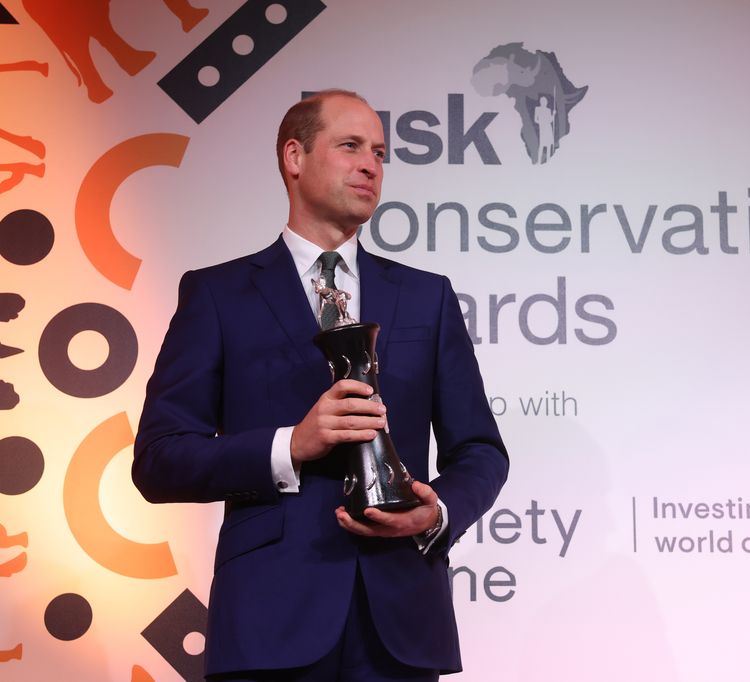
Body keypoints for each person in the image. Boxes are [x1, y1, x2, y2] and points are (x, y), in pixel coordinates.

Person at [133, 89, 509, 681]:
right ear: (294, 157)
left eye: (381, 153)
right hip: (269, 622)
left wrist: (435, 514)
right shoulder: (217, 295)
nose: (371, 165)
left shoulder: (427, 296)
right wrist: (290, 445)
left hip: (401, 624)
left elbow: (480, 451)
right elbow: (158, 460)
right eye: (351, 146)